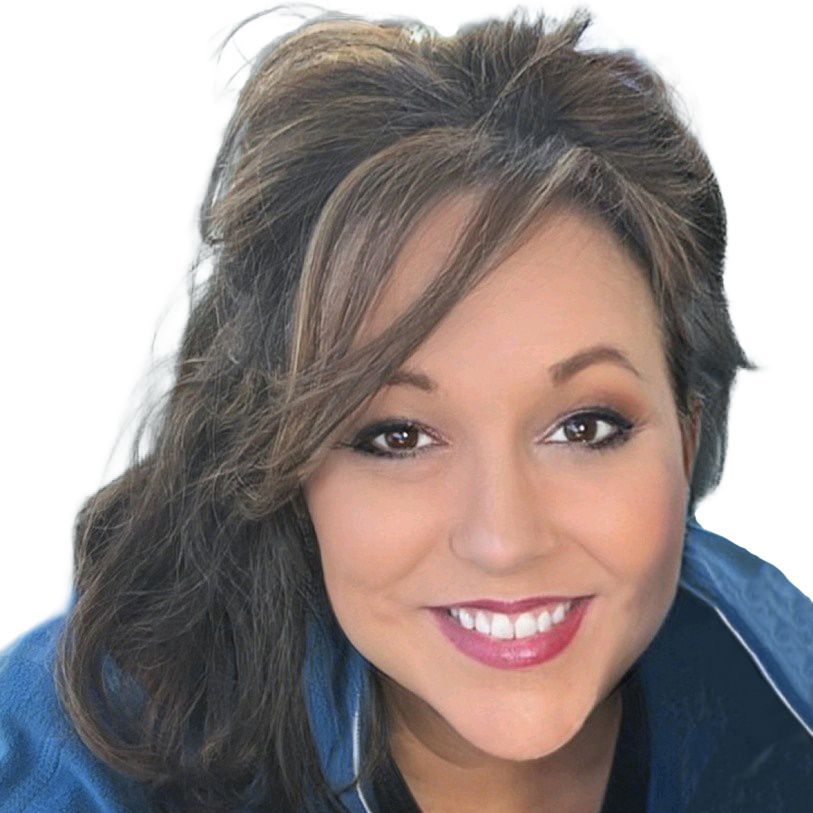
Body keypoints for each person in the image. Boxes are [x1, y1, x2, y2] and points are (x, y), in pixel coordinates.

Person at [1, 5, 811, 812]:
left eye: (585, 426)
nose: (503, 540)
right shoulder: (76, 760)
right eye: (397, 435)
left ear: (686, 430)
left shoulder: (789, 710)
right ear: (284, 464)